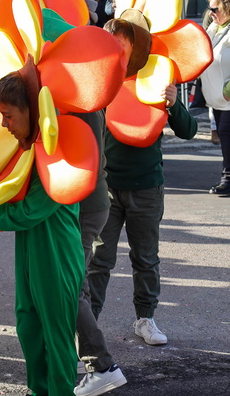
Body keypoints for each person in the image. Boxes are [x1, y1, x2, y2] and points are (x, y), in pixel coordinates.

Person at [0, 71, 83, 396]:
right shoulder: (28, 148)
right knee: (29, 327)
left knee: (56, 338)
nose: (4, 124)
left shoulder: (55, 153)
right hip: (32, 254)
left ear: (32, 112)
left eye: (8, 115)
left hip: (56, 257)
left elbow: (23, 213)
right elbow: (8, 194)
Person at [89, 18, 197, 346]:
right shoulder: (97, 81)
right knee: (98, 260)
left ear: (134, 46)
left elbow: (189, 130)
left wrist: (173, 102)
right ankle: (88, 328)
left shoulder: (155, 79)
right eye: (110, 44)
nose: (116, 51)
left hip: (147, 185)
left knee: (146, 257)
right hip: (106, 188)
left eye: (121, 44)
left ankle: (146, 319)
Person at [72, 110, 127, 396]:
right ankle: (93, 361)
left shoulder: (81, 97)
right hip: (86, 199)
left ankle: (102, 366)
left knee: (72, 289)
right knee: (77, 286)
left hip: (84, 201)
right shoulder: (81, 90)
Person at [199, 0, 230, 194]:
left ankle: (227, 178)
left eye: (215, 8)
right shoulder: (214, 28)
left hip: (227, 97)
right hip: (215, 98)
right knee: (224, 135)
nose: (211, 13)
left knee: (227, 134)